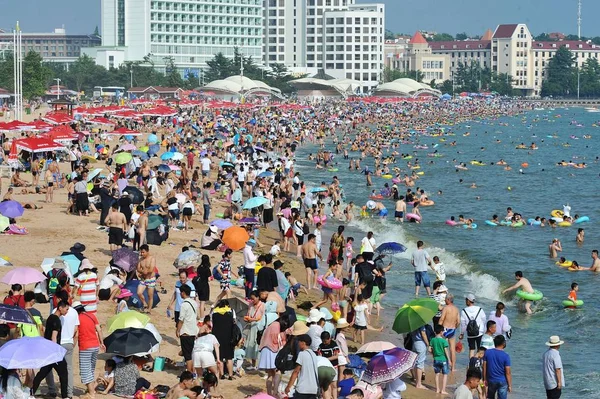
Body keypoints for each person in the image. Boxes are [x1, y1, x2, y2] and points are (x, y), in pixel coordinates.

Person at [31, 301, 69, 399]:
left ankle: (31, 393)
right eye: (66, 309)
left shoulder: (50, 318)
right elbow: (54, 337)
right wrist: (56, 353)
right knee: (63, 373)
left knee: (42, 373)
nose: (67, 311)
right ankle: (65, 396)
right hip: (54, 351)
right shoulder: (56, 320)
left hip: (48, 350)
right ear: (60, 308)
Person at [75, 301, 105, 397]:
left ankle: (91, 393)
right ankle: (91, 390)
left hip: (85, 346)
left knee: (85, 370)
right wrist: (102, 342)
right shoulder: (91, 315)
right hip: (95, 345)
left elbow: (75, 333)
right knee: (91, 369)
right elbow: (99, 329)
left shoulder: (77, 318)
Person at [284, 334, 319, 399]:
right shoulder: (314, 355)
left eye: (299, 342)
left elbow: (296, 371)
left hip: (303, 389)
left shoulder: (302, 354)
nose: (298, 344)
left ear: (303, 343)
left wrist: (288, 387)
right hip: (313, 389)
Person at [176, 284, 199, 373]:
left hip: (186, 331)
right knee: (190, 353)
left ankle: (189, 373)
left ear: (183, 293)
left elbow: (181, 319)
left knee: (187, 355)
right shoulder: (194, 303)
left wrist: (178, 330)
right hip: (193, 331)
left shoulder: (184, 305)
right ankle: (192, 371)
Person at [459, 293, 486, 358]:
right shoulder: (480, 309)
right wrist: (484, 331)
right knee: (480, 349)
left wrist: (462, 334)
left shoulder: (464, 311)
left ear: (468, 300)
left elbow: (463, 324)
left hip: (470, 333)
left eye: (466, 299)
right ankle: (479, 364)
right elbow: (484, 320)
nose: (465, 301)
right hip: (479, 332)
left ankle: (471, 364)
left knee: (471, 349)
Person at [438, 293, 460, 371]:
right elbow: (458, 321)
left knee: (442, 348)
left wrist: (438, 328)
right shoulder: (456, 309)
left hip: (445, 329)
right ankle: (453, 368)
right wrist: (455, 327)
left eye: (445, 299)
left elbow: (442, 319)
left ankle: (442, 366)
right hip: (452, 329)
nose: (444, 300)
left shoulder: (446, 308)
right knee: (452, 349)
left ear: (448, 300)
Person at [430, 324, 451, 394]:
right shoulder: (443, 341)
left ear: (435, 331)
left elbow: (429, 349)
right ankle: (443, 390)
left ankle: (437, 389)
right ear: (441, 332)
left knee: (437, 374)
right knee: (445, 374)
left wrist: (433, 355)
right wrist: (449, 360)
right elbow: (446, 351)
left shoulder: (432, 340)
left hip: (436, 359)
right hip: (443, 359)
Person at [136, 244, 157, 312]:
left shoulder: (152, 259)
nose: (142, 254)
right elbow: (138, 268)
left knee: (150, 295)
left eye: (143, 252)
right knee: (139, 292)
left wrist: (144, 272)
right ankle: (144, 303)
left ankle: (149, 309)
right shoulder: (140, 259)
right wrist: (142, 271)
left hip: (150, 279)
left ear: (147, 251)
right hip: (143, 278)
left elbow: (151, 269)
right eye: (141, 252)